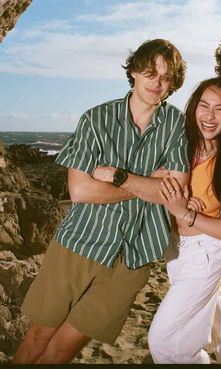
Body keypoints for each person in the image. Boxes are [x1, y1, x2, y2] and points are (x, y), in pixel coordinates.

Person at [13, 38, 190, 364]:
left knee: (65, 347)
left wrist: (120, 177)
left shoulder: (176, 125)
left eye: (166, 78)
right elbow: (80, 191)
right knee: (39, 334)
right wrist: (151, 183)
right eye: (151, 73)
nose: (157, 83)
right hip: (79, 245)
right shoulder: (96, 120)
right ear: (135, 71)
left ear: (173, 84)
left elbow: (176, 189)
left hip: (135, 256)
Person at [148, 77, 221, 364]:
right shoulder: (180, 144)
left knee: (165, 343)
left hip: (206, 253)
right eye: (204, 106)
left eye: (220, 109)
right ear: (193, 107)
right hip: (176, 249)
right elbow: (153, 179)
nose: (209, 117)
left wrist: (189, 213)